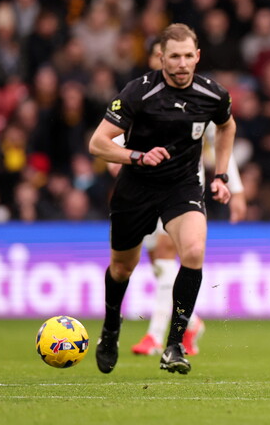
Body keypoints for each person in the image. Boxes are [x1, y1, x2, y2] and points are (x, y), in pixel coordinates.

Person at [88, 23, 241, 375]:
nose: (183, 63)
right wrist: (137, 156)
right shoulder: (138, 93)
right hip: (136, 188)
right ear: (161, 57)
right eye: (175, 56)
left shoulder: (213, 94)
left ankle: (174, 345)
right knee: (122, 268)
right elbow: (98, 143)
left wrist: (220, 175)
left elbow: (227, 125)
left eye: (189, 56)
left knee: (194, 251)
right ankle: (110, 330)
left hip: (182, 186)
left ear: (198, 56)